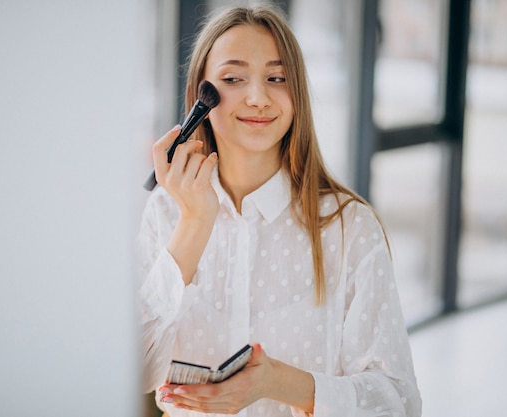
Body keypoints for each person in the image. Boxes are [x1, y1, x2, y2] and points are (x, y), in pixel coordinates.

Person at [137, 4, 421, 417]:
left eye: (277, 78)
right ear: (201, 97)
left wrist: (280, 383)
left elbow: (400, 403)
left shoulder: (349, 227)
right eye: (233, 79)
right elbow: (133, 372)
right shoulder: (165, 212)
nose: (258, 97)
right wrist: (195, 224)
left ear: (297, 93)